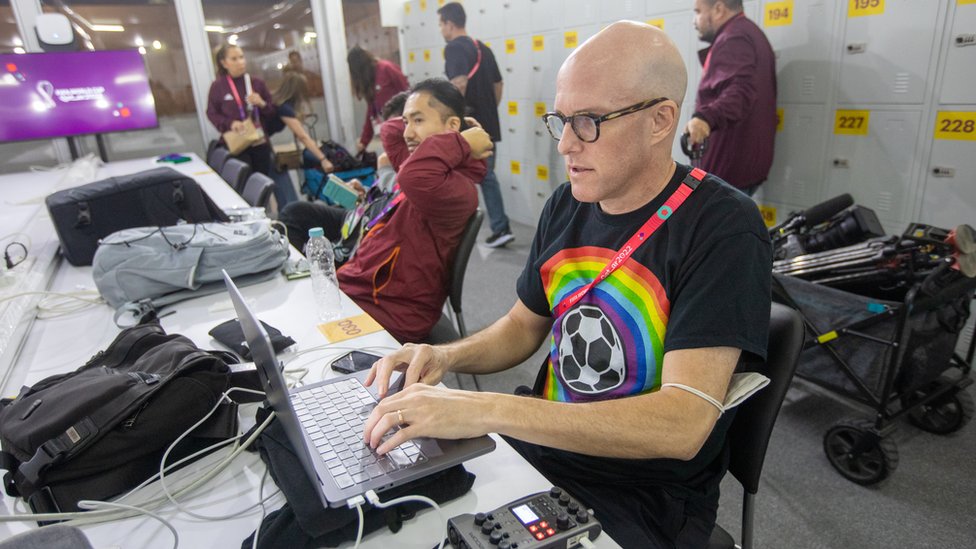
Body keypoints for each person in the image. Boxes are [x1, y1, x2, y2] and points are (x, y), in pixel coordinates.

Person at [362, 22, 771, 548]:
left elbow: (683, 421)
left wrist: (485, 409)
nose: (567, 145)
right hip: (541, 446)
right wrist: (445, 358)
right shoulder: (567, 204)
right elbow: (520, 326)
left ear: (660, 120)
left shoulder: (722, 227)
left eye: (588, 121)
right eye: (562, 120)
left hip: (640, 493)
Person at [336, 79, 492, 343]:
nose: (407, 132)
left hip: (386, 311)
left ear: (453, 127)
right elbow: (388, 130)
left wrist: (459, 142)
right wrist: (458, 134)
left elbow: (413, 175)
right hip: (361, 291)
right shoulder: (424, 162)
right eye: (406, 121)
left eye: (418, 121)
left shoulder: (456, 187)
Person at [278, 92, 409, 254]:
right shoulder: (395, 157)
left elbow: (401, 200)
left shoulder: (418, 166)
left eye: (395, 132)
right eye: (387, 133)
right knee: (294, 213)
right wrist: (366, 194)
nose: (390, 142)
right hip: (359, 216)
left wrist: (384, 170)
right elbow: (386, 198)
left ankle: (315, 268)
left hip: (369, 230)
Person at [437, 2, 514, 248]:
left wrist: (453, 122)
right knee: (486, 175)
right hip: (487, 122)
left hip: (468, 125)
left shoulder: (453, 49)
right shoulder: (483, 48)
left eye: (440, 24)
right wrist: (487, 112)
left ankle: (466, 232)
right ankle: (499, 227)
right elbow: (498, 86)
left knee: (466, 177)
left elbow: (458, 85)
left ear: (449, 23)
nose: (440, 30)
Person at [685, 0, 777, 196]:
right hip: (745, 166)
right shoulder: (750, 32)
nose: (694, 21)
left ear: (718, 9)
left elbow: (740, 92)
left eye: (698, 12)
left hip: (729, 169)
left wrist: (705, 118)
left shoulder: (733, 38)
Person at [265, 72, 335, 207]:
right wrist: (323, 159)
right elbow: (303, 136)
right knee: (284, 188)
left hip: (261, 148)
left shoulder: (278, 103)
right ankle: (291, 213)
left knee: (279, 182)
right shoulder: (284, 108)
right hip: (262, 150)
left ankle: (289, 211)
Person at [206, 43, 277, 176]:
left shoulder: (257, 83)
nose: (240, 62)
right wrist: (230, 123)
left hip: (259, 142)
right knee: (243, 183)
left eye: (241, 57)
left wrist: (261, 103)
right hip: (237, 143)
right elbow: (211, 113)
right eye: (234, 59)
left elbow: (272, 112)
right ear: (224, 63)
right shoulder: (218, 87)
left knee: (261, 182)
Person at [347, 46, 409, 153]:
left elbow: (408, 91)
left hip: (405, 125)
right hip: (391, 130)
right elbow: (371, 112)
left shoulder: (386, 68)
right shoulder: (369, 80)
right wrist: (363, 142)